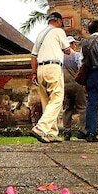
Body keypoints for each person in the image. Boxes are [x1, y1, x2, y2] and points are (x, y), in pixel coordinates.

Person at [29, 11, 72, 143]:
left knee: (46, 101)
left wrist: (34, 72)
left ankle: (51, 133)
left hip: (40, 69)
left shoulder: (40, 34)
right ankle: (41, 128)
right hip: (53, 67)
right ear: (59, 21)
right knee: (57, 99)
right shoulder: (59, 31)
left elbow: (33, 56)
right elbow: (68, 50)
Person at [61, 36, 86, 140]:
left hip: (64, 85)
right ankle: (82, 130)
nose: (75, 45)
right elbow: (81, 68)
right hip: (77, 84)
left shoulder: (60, 57)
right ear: (70, 44)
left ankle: (67, 131)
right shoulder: (76, 55)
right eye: (74, 44)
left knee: (67, 108)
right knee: (82, 107)